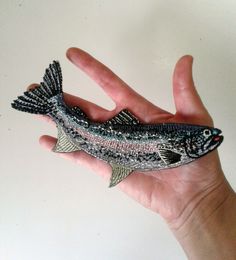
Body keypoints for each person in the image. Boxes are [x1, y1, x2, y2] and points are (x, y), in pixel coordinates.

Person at [32, 48, 236, 259]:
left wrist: (206, 201)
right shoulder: (179, 149)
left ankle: (53, 106)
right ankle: (53, 104)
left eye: (206, 134)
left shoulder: (180, 151)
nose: (210, 136)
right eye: (204, 134)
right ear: (187, 139)